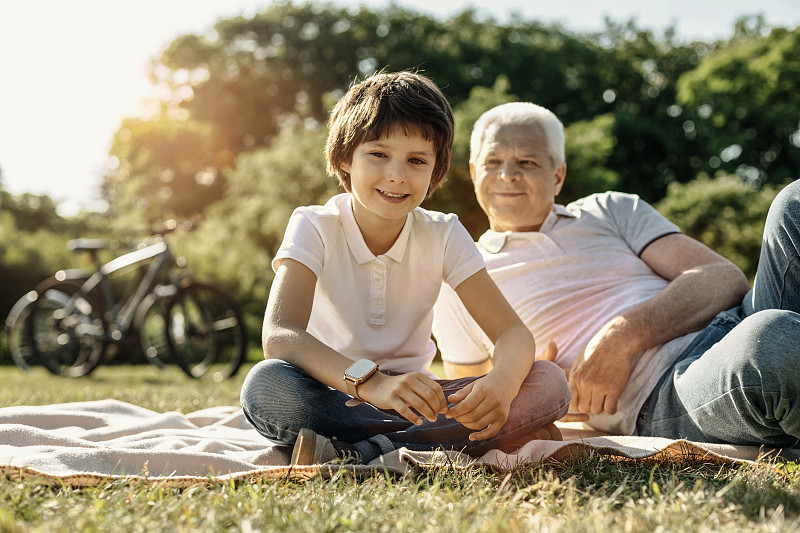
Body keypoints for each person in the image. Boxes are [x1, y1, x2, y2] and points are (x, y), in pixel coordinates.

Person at [239, 73, 570, 466]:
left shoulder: (443, 233)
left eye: (416, 160)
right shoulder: (314, 224)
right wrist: (373, 384)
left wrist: (500, 385)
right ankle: (445, 443)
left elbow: (513, 333)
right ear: (345, 158)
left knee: (547, 382)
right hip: (332, 393)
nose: (397, 175)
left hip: (421, 403)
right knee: (266, 385)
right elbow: (281, 335)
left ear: (436, 170)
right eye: (379, 154)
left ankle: (362, 452)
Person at [433, 101, 800, 448]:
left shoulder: (610, 209)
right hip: (667, 393)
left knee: (794, 202)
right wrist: (537, 385)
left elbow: (723, 277)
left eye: (527, 162)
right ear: (473, 172)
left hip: (735, 319)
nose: (507, 174)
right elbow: (472, 403)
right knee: (772, 339)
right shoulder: (462, 275)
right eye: (493, 161)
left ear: (558, 175)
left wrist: (622, 337)